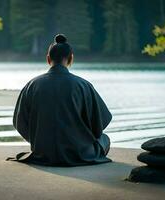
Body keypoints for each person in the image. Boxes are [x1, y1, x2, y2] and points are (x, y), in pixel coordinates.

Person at [8, 34, 112, 166]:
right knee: (105, 139)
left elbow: (19, 122)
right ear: (71, 59)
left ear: (48, 59)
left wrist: (38, 140)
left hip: (42, 153)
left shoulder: (32, 85)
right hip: (79, 153)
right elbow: (99, 126)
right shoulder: (83, 85)